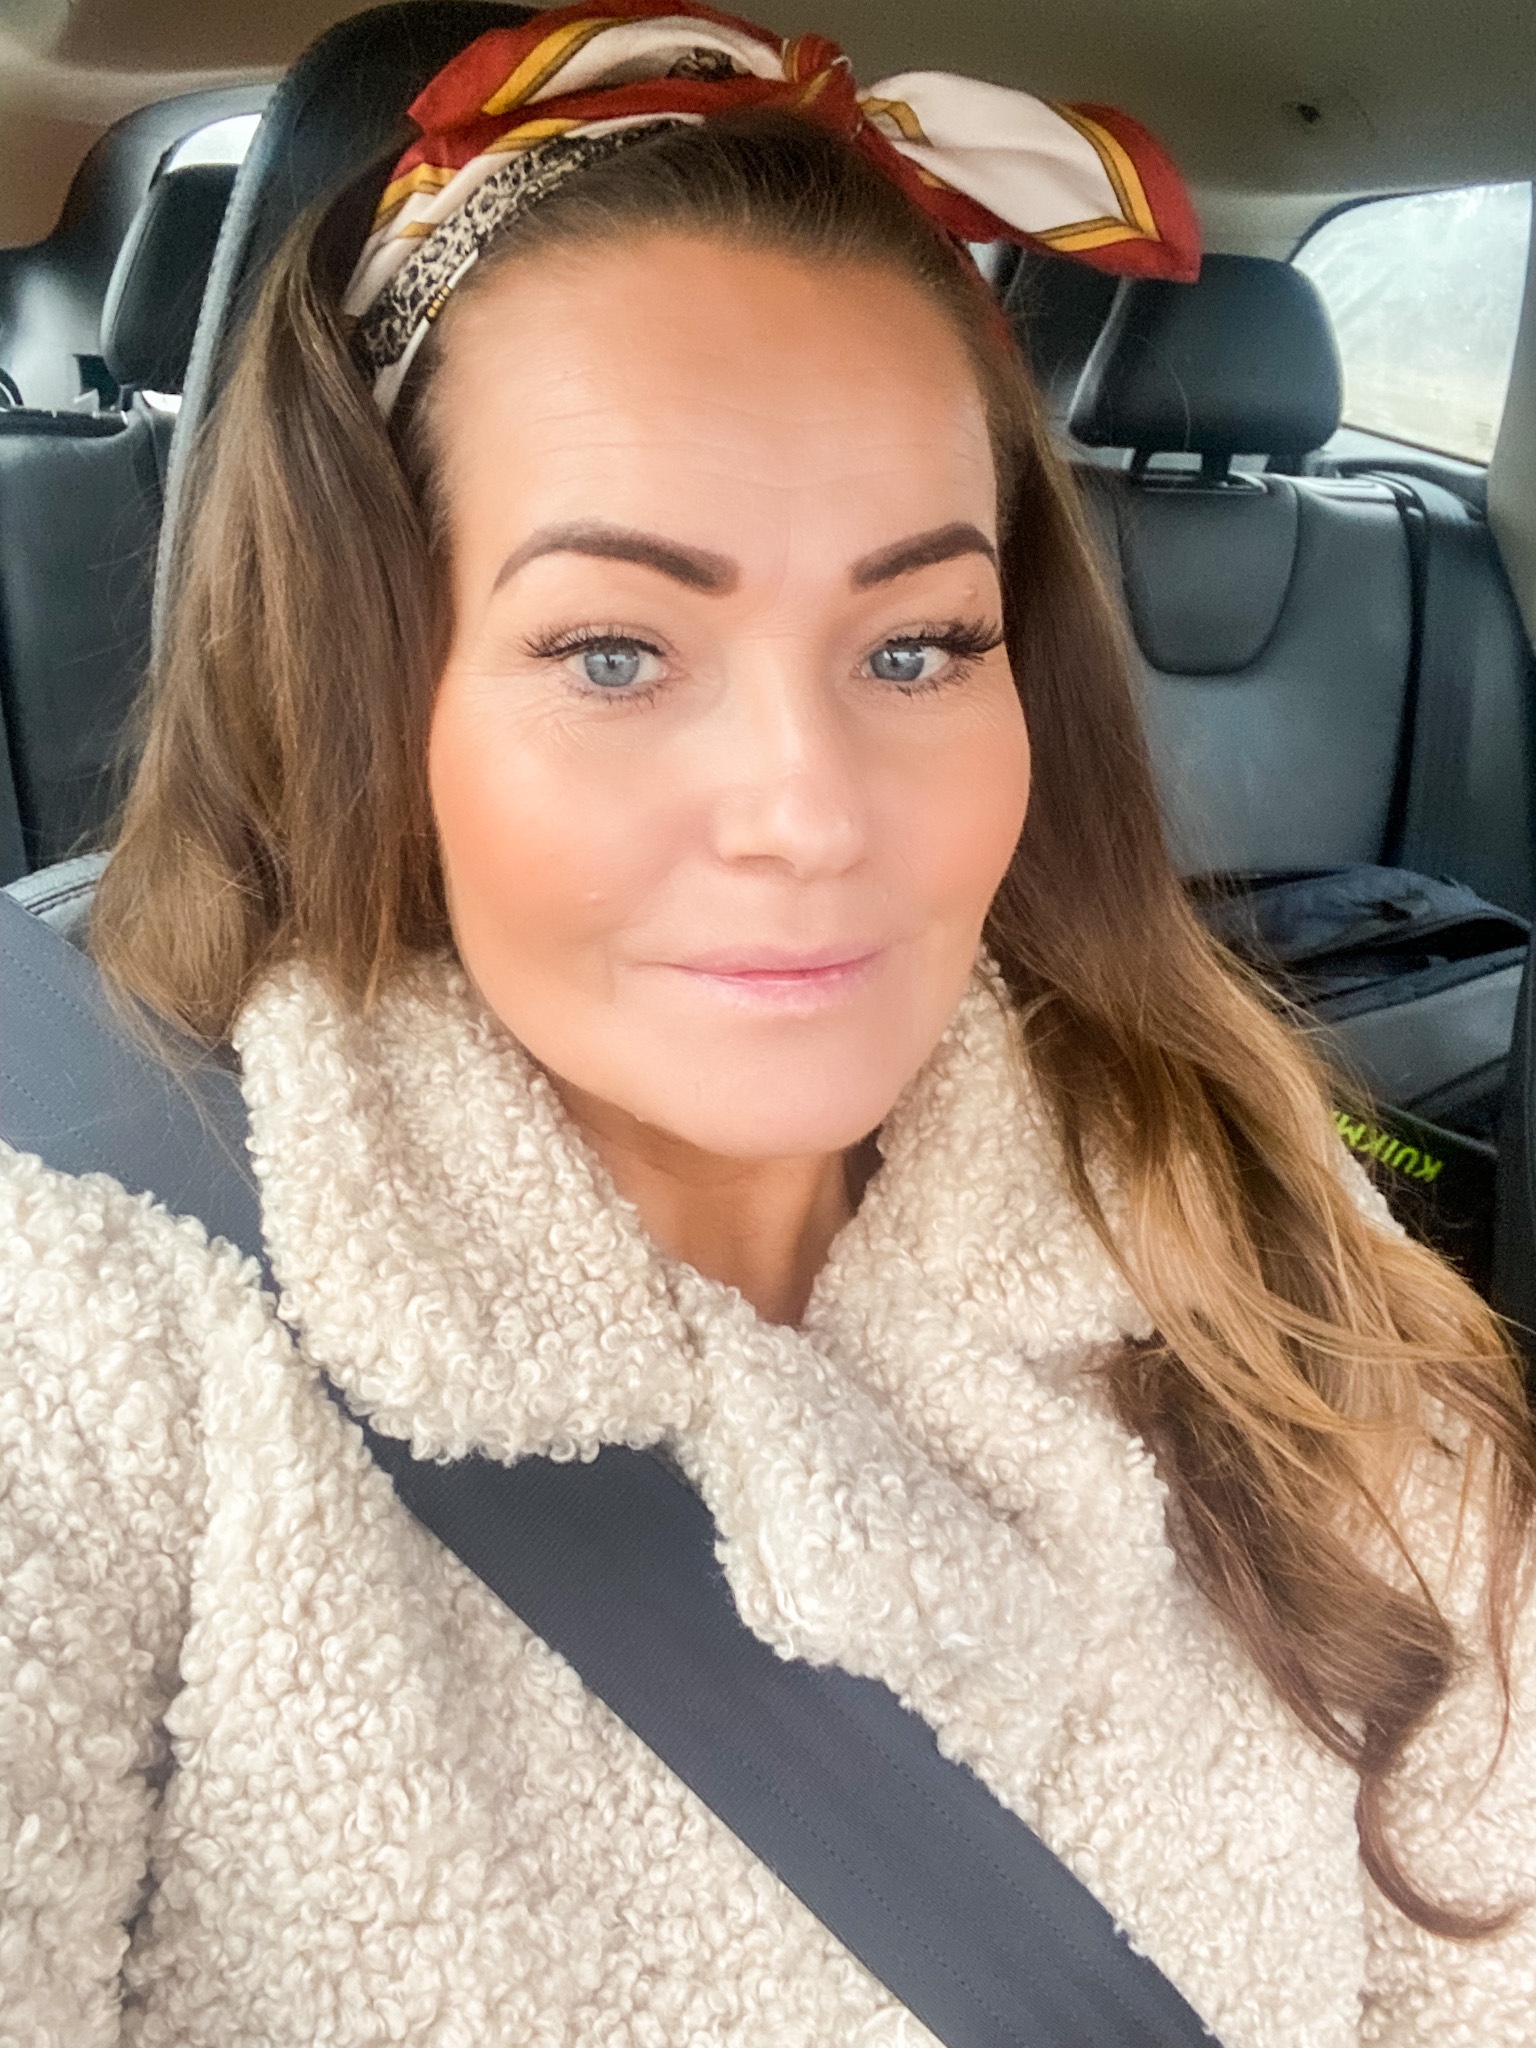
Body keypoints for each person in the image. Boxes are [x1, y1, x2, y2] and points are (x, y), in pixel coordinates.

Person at [2, 5, 1533, 2043]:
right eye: (615, 652)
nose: (813, 813)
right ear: (372, 694)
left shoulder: (1267, 1237)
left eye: (916, 645)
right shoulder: (87, 1334)